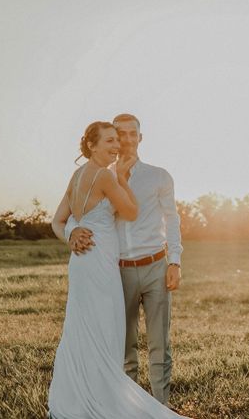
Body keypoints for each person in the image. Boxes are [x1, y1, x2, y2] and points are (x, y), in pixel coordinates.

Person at [49, 121, 185, 418]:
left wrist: (174, 259)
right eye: (111, 139)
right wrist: (121, 177)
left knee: (87, 330)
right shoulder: (106, 176)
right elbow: (131, 211)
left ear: (140, 137)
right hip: (107, 266)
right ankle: (114, 400)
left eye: (122, 138)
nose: (118, 144)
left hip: (98, 264)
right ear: (93, 145)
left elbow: (58, 220)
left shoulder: (79, 175)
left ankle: (92, 395)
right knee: (111, 335)